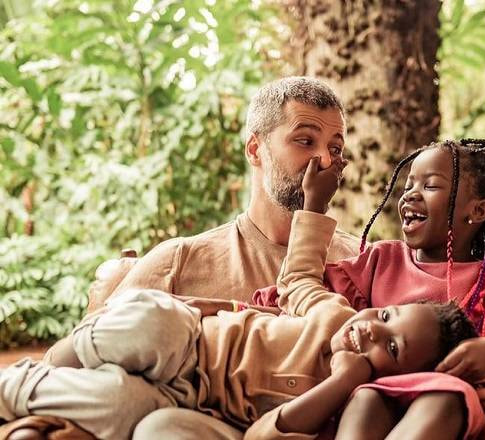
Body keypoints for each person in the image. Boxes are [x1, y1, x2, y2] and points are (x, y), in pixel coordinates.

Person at [0, 157, 480, 440]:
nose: (374, 328)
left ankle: (13, 390)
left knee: (140, 420)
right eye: (389, 315)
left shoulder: (344, 408)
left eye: (390, 348)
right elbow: (298, 279)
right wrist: (313, 207)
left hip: (195, 403)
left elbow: (260, 435)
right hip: (193, 342)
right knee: (151, 322)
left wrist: (338, 384)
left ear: (397, 380)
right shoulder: (336, 316)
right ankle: (61, 358)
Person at [0, 76, 361, 440]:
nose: (326, 159)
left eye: (336, 147)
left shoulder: (360, 263)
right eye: (305, 140)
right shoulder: (181, 258)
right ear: (255, 150)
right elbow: (81, 370)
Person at [255, 139, 485, 439]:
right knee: (369, 397)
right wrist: (313, 206)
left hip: (450, 410)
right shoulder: (381, 261)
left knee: (447, 398)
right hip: (372, 400)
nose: (410, 194)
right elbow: (297, 291)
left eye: (430, 186)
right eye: (409, 183)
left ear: (478, 211)